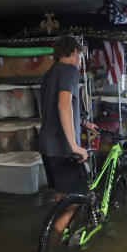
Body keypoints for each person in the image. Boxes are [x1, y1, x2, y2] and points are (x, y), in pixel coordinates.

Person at [38, 35, 96, 230]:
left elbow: (56, 108)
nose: (79, 61)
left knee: (61, 195)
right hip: (62, 148)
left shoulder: (49, 74)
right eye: (79, 55)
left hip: (47, 147)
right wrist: (74, 146)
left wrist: (83, 123)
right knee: (75, 200)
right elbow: (63, 105)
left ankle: (56, 232)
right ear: (73, 52)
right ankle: (55, 246)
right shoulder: (70, 70)